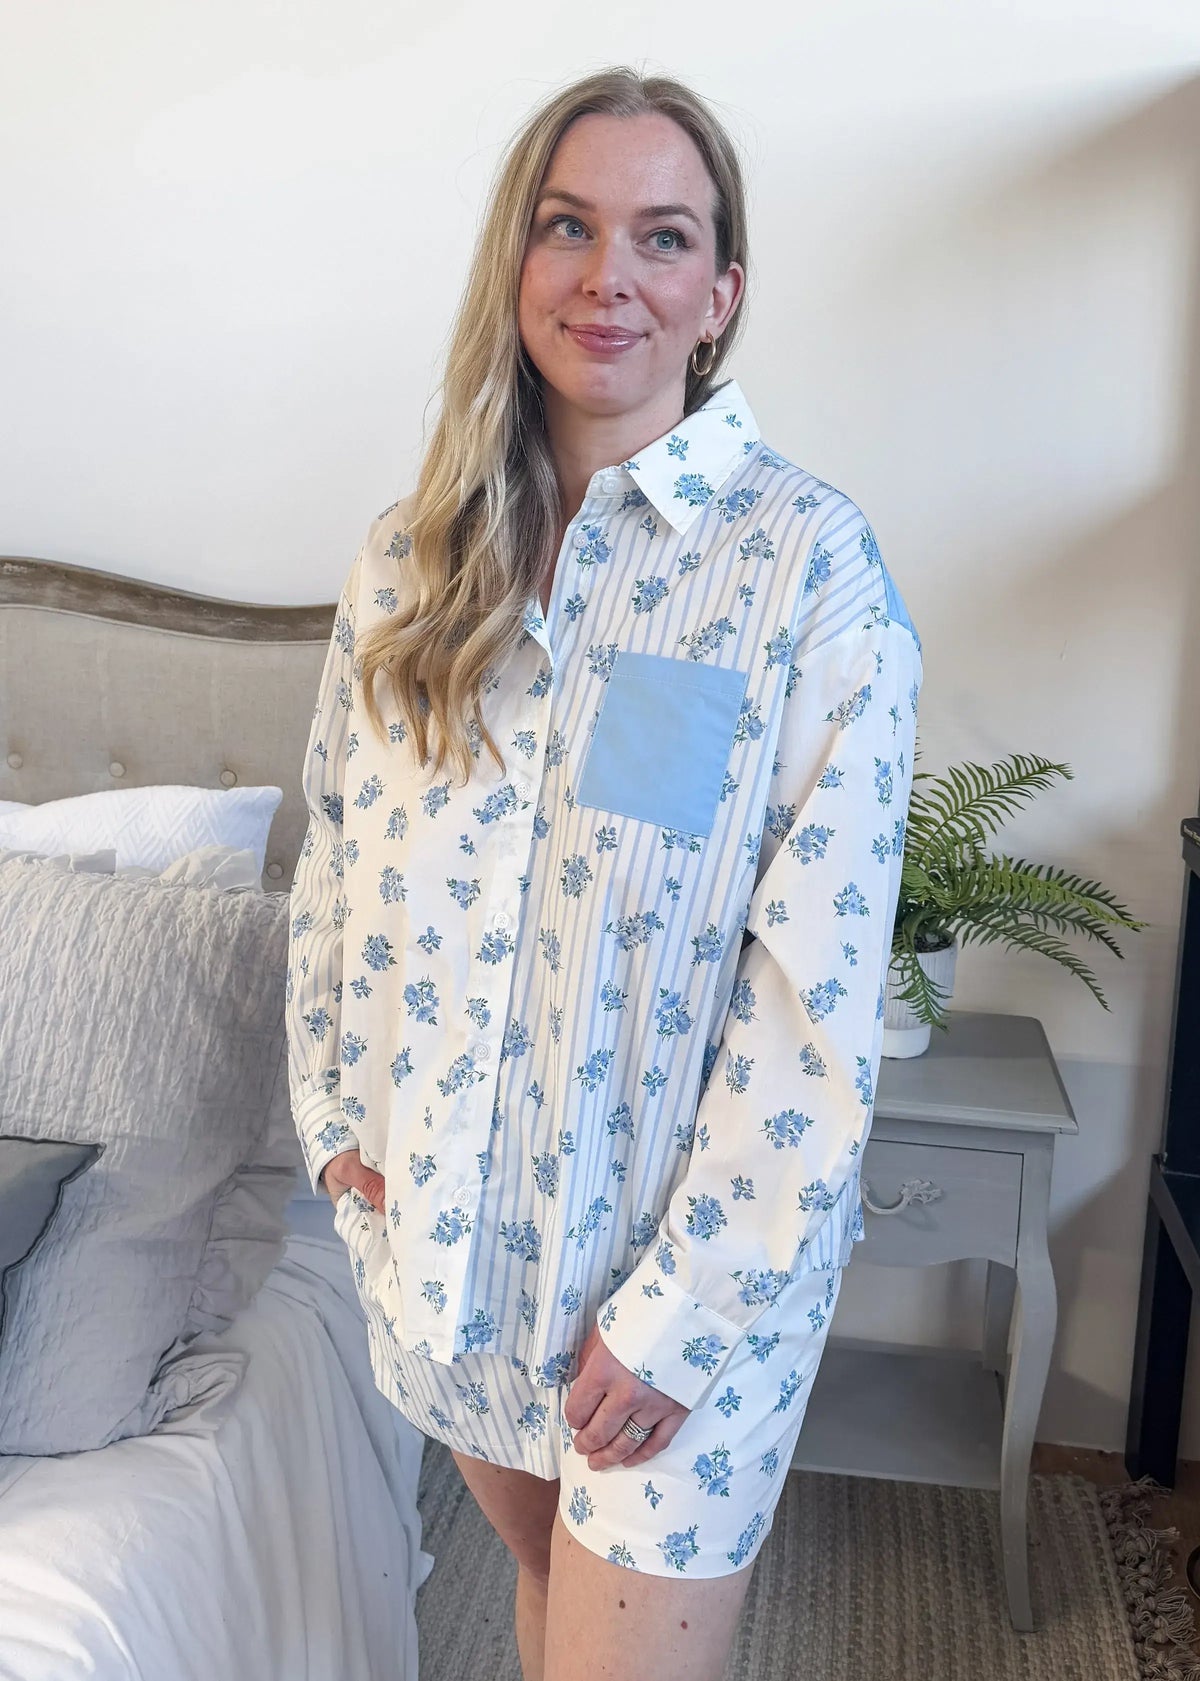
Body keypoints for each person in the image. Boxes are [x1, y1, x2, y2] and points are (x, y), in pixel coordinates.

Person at [286, 63, 923, 1681]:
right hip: (452, 1242)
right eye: (567, 226)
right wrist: (340, 1121)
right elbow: (341, 857)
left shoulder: (806, 569)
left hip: (685, 1290)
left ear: (721, 295)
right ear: (517, 259)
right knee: (548, 1607)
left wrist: (680, 1311)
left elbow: (815, 995)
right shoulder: (410, 561)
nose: (606, 275)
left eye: (663, 236)